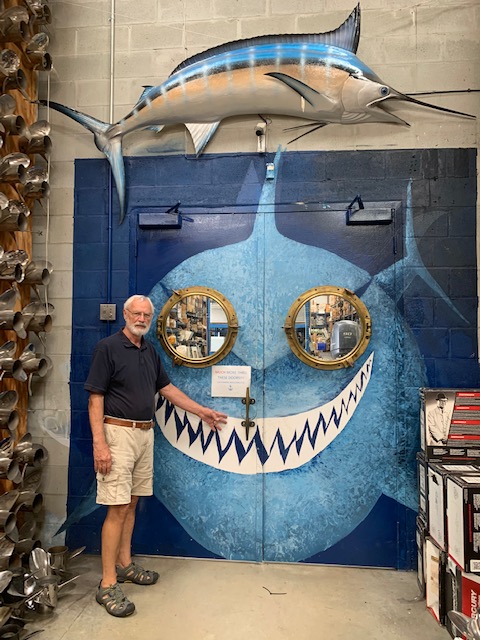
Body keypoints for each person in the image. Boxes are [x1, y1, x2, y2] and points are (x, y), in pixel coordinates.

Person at [84, 294, 228, 618]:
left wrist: (202, 411)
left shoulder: (149, 351)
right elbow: (95, 398)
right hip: (116, 434)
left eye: (146, 314)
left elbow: (167, 389)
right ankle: (107, 583)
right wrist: (99, 444)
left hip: (145, 434)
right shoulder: (107, 348)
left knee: (131, 503)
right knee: (116, 507)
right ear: (125, 315)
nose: (141, 318)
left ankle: (124, 565)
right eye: (136, 313)